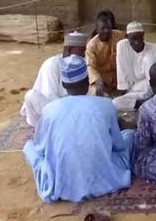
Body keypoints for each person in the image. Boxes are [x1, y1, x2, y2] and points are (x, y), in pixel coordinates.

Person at [23, 55, 135, 203]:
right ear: (87, 81)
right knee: (130, 135)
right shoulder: (106, 105)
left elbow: (42, 148)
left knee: (29, 147)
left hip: (62, 184)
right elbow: (118, 145)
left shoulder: (50, 110)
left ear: (63, 84)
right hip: (107, 178)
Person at [20, 32, 88, 127]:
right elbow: (50, 96)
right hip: (53, 106)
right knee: (30, 95)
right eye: (82, 50)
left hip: (70, 107)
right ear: (69, 49)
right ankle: (40, 128)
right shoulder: (51, 64)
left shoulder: (80, 63)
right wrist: (69, 110)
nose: (84, 54)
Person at [113, 21, 156, 111]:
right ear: (127, 37)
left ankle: (151, 100)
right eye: (133, 38)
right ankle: (144, 104)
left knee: (148, 58)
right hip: (134, 90)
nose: (137, 42)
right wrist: (123, 91)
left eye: (139, 38)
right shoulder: (122, 46)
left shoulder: (154, 48)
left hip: (152, 88)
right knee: (115, 102)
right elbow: (121, 71)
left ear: (143, 35)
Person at [86, 15, 125, 96]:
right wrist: (98, 82)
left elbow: (130, 39)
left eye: (108, 28)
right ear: (97, 30)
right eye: (103, 28)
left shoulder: (118, 35)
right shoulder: (91, 45)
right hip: (101, 79)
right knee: (96, 94)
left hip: (119, 76)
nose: (106, 31)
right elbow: (90, 66)